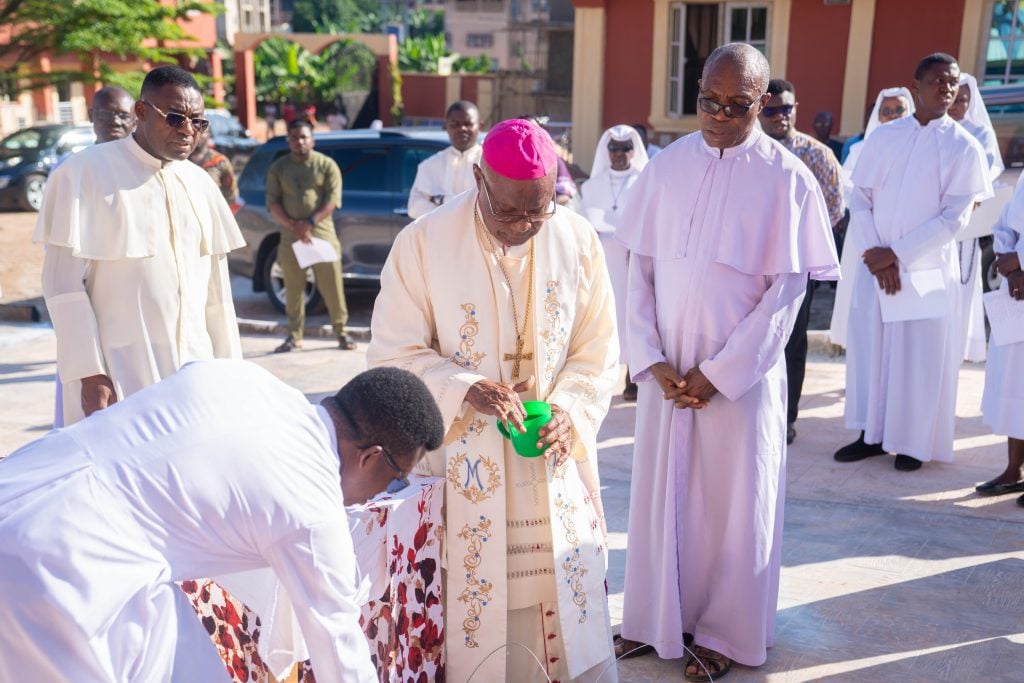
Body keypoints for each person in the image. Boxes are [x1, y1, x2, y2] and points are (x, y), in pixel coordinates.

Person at [0, 360, 445, 682]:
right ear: (370, 458)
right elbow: (339, 649)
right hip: (57, 569)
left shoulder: (240, 376)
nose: (383, 495)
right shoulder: (311, 506)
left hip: (19, 484)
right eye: (393, 481)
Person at [614, 43, 839, 681]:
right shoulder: (666, 167)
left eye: (735, 105)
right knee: (662, 498)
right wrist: (651, 359)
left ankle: (727, 637)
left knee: (736, 508)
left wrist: (721, 374)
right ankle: (654, 621)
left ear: (761, 103)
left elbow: (786, 296)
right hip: (669, 374)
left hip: (737, 382)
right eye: (708, 102)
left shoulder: (786, 178)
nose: (717, 115)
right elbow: (641, 272)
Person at [367, 118, 620, 682]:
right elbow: (390, 354)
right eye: (510, 212)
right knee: (477, 612)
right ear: (479, 180)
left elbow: (599, 350)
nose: (525, 226)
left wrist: (570, 411)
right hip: (464, 468)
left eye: (539, 210)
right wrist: (465, 389)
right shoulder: (424, 242)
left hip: (549, 461)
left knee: (558, 606)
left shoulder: (577, 239)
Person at [35, 66, 244, 426]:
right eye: (175, 117)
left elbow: (217, 297)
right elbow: (62, 285)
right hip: (118, 376)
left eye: (198, 122)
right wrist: (90, 371)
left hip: (193, 372)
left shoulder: (201, 183)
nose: (187, 130)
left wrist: (228, 371)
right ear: (142, 112)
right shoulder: (81, 173)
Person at [835, 53, 991, 472]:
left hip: (924, 272)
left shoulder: (964, 147)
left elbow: (955, 217)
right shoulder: (885, 138)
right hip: (876, 268)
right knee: (873, 351)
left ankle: (913, 443)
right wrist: (875, 254)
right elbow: (860, 197)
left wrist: (897, 255)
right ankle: (872, 434)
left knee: (918, 359)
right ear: (916, 85)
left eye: (953, 82)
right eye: (938, 80)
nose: (947, 88)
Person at [759, 78, 845, 445]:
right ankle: (754, 412)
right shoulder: (745, 151)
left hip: (796, 265)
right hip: (749, 264)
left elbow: (835, 210)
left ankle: (787, 418)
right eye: (772, 110)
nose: (780, 116)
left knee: (792, 341)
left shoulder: (816, 154)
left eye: (786, 109)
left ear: (796, 109)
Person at [51, 85, 138, 428]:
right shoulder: (72, 170)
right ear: (90, 117)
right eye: (105, 113)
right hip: (86, 292)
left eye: (123, 115)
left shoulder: (145, 170)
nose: (114, 121)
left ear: (136, 119)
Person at [829, 87, 915, 349]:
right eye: (886, 111)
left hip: (903, 237)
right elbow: (847, 186)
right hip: (866, 234)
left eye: (898, 110)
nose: (892, 116)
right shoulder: (859, 149)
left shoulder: (919, 149)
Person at [267, 119, 356, 353]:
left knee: (332, 287)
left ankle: (342, 333)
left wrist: (308, 223)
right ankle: (294, 335)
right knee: (293, 289)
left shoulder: (326, 165)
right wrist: (292, 225)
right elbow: (272, 201)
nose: (300, 142)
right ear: (289, 140)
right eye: (295, 137)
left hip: (321, 235)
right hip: (290, 237)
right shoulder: (279, 167)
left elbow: (332, 200)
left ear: (312, 140)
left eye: (304, 137)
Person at [580, 124, 650, 400]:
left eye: (626, 148)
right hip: (604, 259)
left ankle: (635, 374)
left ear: (634, 150)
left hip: (635, 257)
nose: (620, 153)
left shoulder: (646, 180)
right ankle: (602, 374)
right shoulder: (591, 186)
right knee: (606, 314)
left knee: (635, 312)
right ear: (606, 151)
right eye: (614, 148)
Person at [948, 72, 1005, 363]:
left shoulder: (979, 132)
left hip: (966, 221)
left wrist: (975, 193)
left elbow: (991, 167)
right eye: (954, 99)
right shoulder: (935, 128)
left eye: (964, 100)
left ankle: (956, 346)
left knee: (961, 280)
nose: (957, 105)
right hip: (935, 218)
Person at [976, 176, 1024, 505]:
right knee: (1014, 383)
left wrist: (1021, 261)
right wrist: (1011, 266)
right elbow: (1005, 223)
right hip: (1018, 292)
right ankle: (1013, 470)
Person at [407, 100, 482, 219]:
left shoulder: (491, 164)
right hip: (440, 234)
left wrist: (440, 200)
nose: (462, 128)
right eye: (455, 124)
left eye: (468, 124)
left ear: (480, 126)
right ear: (446, 126)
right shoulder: (430, 165)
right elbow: (414, 207)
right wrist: (448, 216)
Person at [189, 126, 239, 207]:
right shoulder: (180, 161)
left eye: (202, 131)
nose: (197, 134)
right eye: (193, 131)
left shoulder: (220, 161)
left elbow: (231, 194)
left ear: (209, 135)